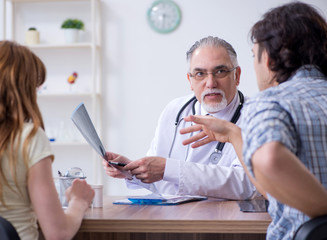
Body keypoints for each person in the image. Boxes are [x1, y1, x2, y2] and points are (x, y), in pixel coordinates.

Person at [180, 2, 327, 239]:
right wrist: (234, 135)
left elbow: (270, 161)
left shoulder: (269, 102)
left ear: (268, 59)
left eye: (254, 56)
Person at [0, 40, 95, 240]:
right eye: (33, 88)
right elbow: (58, 233)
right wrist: (79, 201)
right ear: (22, 89)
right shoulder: (29, 137)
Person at [103, 36, 256, 200]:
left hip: (226, 220)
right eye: (200, 73)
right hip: (175, 219)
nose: (210, 83)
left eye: (220, 72)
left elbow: (246, 184)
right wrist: (133, 170)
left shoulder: (255, 116)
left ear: (237, 75)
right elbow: (162, 181)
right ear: (190, 81)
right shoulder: (174, 110)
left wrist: (169, 169)